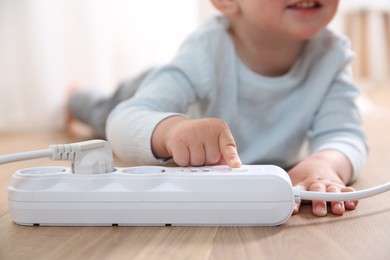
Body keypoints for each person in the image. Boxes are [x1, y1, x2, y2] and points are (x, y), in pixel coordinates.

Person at [69, 0, 369, 217]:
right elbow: (126, 118)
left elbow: (344, 132)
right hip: (151, 92)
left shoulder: (334, 56)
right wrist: (173, 129)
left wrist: (326, 164)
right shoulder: (206, 51)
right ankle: (76, 96)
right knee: (102, 111)